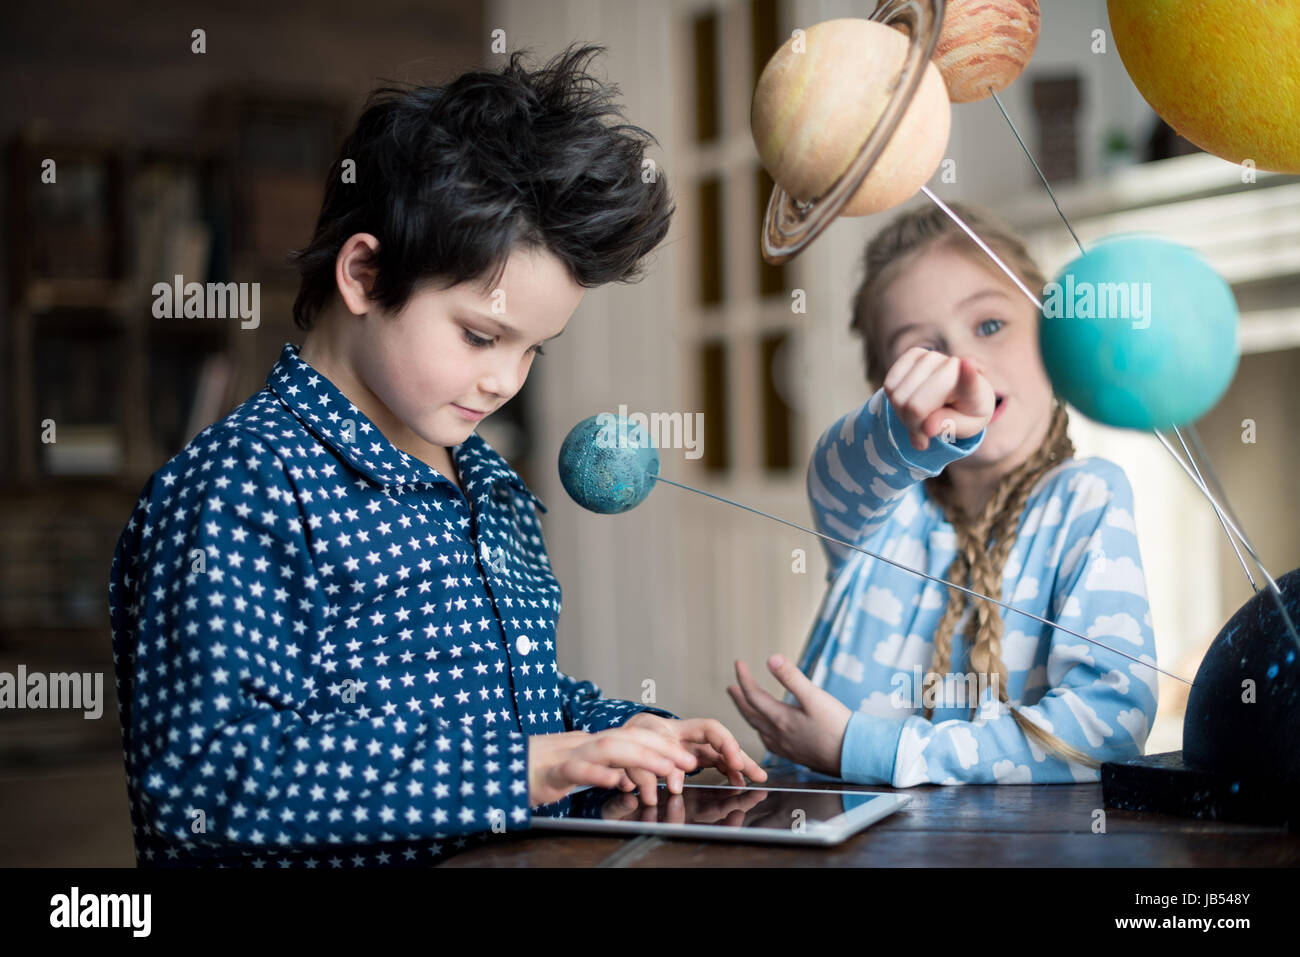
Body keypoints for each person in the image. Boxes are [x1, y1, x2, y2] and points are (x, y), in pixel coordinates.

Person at [107, 44, 764, 869]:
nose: (503, 380)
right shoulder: (240, 487)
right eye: (480, 335)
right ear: (364, 273)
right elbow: (210, 783)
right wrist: (524, 768)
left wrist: (619, 734)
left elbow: (509, 709)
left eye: (535, 351)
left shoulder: (487, 481)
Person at [728, 201, 1159, 786]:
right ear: (887, 389)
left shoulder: (1087, 499)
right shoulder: (884, 513)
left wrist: (865, 748)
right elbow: (843, 468)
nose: (964, 366)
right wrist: (907, 426)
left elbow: (1107, 727)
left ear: (1052, 335)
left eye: (989, 325)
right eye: (922, 355)